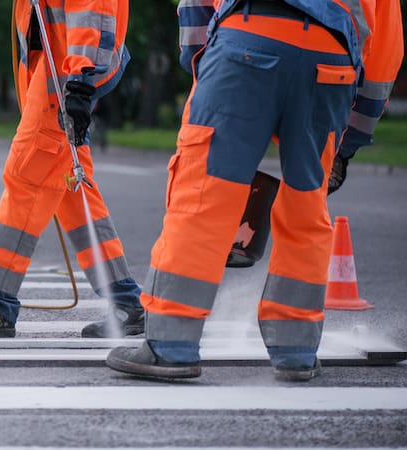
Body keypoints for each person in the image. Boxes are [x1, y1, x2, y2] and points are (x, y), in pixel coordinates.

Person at [106, 0, 403, 381]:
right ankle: (296, 350)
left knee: (204, 194)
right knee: (306, 203)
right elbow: (385, 50)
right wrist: (350, 142)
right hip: (331, 62)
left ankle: (170, 345)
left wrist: (202, 61)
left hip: (247, 38)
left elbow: (196, 7)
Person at [0, 0, 143, 338]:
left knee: (26, 179)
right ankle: (125, 303)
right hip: (61, 78)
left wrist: (80, 81)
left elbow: (93, 11)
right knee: (75, 194)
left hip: (63, 82)